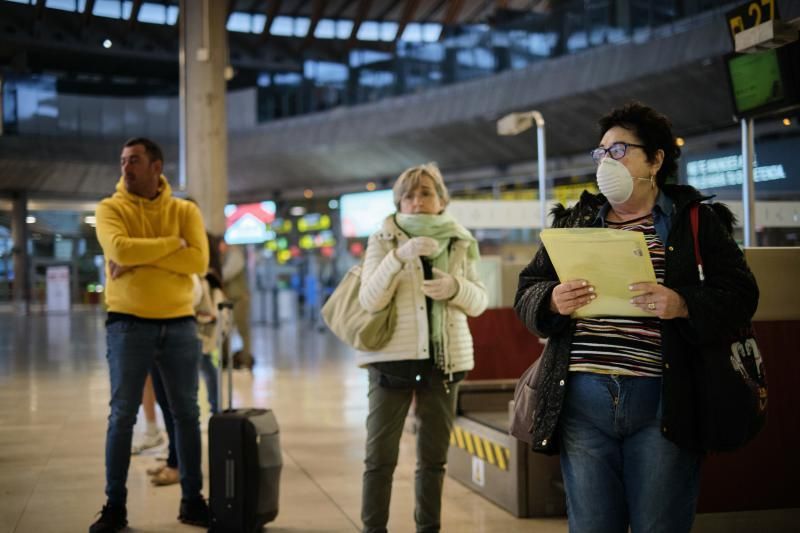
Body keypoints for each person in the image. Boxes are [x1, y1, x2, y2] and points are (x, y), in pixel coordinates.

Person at [514, 102, 759, 533]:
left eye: (620, 149)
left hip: (665, 400)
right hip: (582, 399)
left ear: (656, 159)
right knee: (592, 525)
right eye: (602, 152)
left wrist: (683, 304)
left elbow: (741, 294)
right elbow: (527, 290)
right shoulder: (577, 220)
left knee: (659, 524)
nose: (607, 160)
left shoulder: (695, 221)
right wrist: (551, 299)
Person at [358, 163, 488, 533]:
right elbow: (369, 299)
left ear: (441, 199)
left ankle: (428, 528)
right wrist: (399, 258)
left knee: (434, 459)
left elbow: (479, 301)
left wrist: (455, 289)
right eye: (409, 195)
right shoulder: (383, 239)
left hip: (444, 362)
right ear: (399, 202)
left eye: (425, 193)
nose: (417, 202)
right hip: (391, 360)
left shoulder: (461, 240)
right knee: (379, 457)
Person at [90, 137, 210, 532]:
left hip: (179, 323)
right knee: (122, 416)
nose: (126, 167)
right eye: (123, 160)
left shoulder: (184, 210)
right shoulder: (110, 209)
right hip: (127, 323)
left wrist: (141, 256)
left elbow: (199, 259)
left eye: (135, 161)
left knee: (187, 415)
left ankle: (193, 501)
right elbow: (120, 250)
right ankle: (115, 507)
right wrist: (171, 246)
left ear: (157, 166)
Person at [220, 241, 254, 370]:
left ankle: (245, 359)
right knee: (225, 329)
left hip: (240, 298)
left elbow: (228, 272)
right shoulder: (223, 255)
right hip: (228, 299)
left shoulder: (235, 254)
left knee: (242, 328)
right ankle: (225, 359)